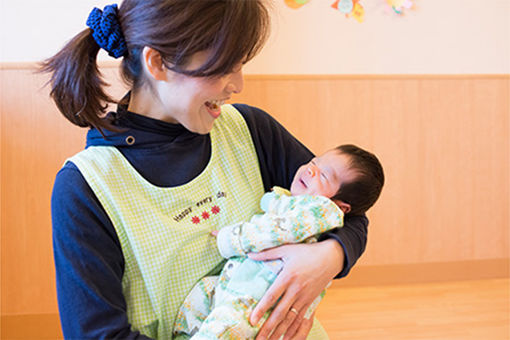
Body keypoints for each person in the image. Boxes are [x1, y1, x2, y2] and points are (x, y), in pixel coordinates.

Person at [42, 1, 370, 339]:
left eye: (240, 64)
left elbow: (348, 208)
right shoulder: (86, 187)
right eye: (224, 67)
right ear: (158, 62)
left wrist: (330, 256)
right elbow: (97, 334)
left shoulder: (250, 129)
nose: (238, 84)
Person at [173, 144, 384, 339]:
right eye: (315, 161)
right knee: (199, 299)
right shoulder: (295, 203)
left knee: (221, 330)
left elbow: (272, 232)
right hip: (237, 282)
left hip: (257, 300)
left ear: (341, 206)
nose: (311, 170)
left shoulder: (321, 211)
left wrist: (230, 238)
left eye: (324, 175)